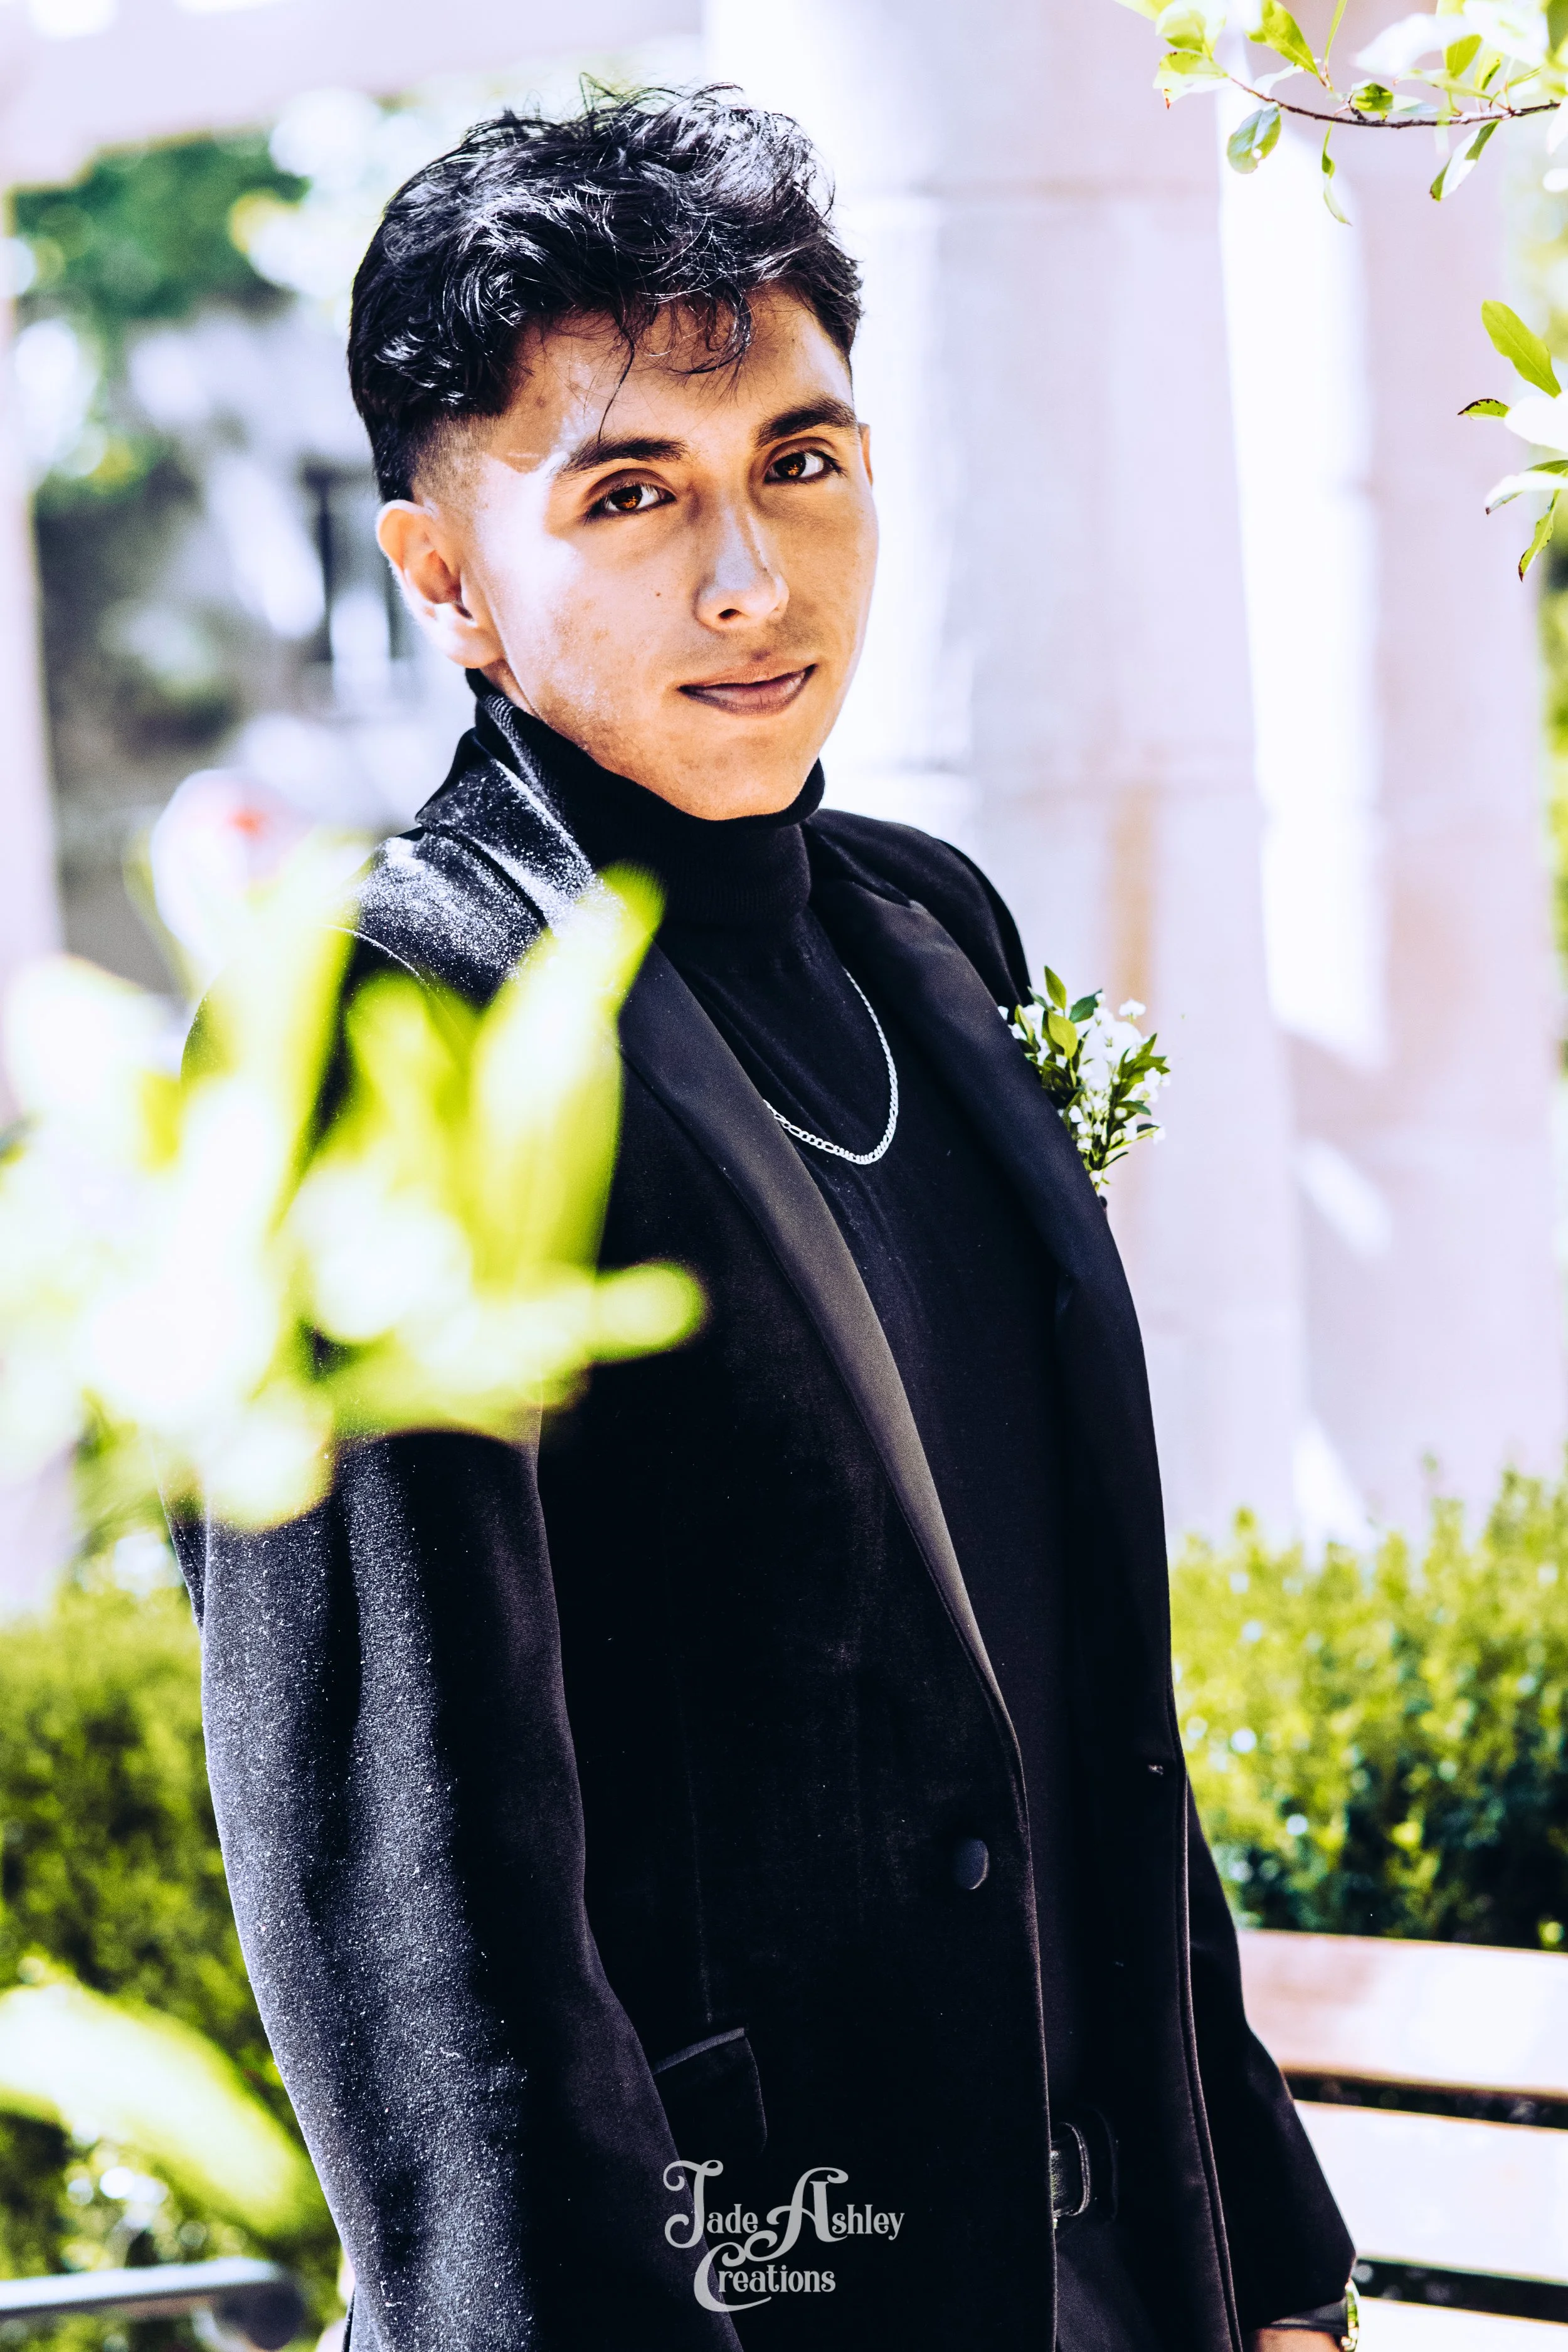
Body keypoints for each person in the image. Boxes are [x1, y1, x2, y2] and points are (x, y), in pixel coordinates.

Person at [172, 89, 1356, 2352]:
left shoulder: (930, 934)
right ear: (444, 576)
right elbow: (412, 1898)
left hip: (1118, 2282)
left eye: (797, 465)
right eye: (630, 494)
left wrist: (1264, 2257)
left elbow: (1075, 1699)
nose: (751, 580)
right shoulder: (381, 1025)